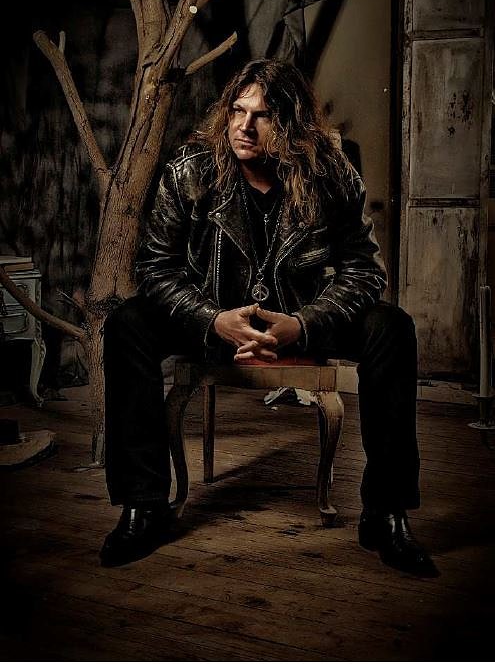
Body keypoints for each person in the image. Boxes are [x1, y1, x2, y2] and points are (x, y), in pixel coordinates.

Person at [100, 58, 438, 577]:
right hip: (213, 320)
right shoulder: (190, 171)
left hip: (297, 319)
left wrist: (303, 324)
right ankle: (142, 507)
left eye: (263, 115)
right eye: (238, 110)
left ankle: (386, 513)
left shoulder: (330, 174)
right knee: (128, 323)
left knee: (391, 327)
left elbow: (365, 272)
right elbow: (155, 268)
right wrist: (213, 319)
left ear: (292, 123)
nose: (244, 126)